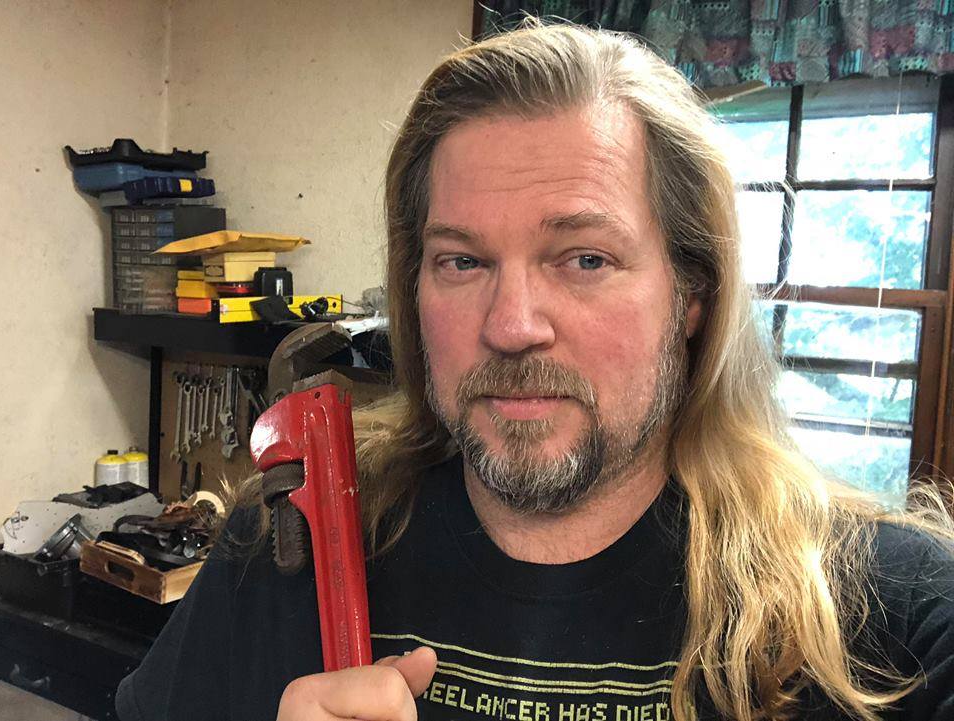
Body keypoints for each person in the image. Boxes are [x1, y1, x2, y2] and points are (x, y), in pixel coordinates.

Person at [116, 19, 954, 721]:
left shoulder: (891, 619)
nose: (512, 327)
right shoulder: (288, 542)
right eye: (462, 262)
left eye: (584, 258)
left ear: (692, 294)